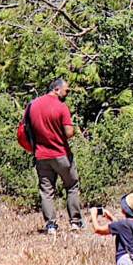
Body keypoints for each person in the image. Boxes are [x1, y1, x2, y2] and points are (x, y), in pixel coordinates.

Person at [27, 78, 82, 235]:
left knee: (46, 190)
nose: (68, 93)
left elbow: (27, 128)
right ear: (57, 90)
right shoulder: (61, 107)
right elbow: (69, 132)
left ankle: (51, 225)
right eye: (66, 90)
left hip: (41, 155)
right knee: (71, 186)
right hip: (61, 154)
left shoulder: (32, 105)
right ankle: (75, 222)